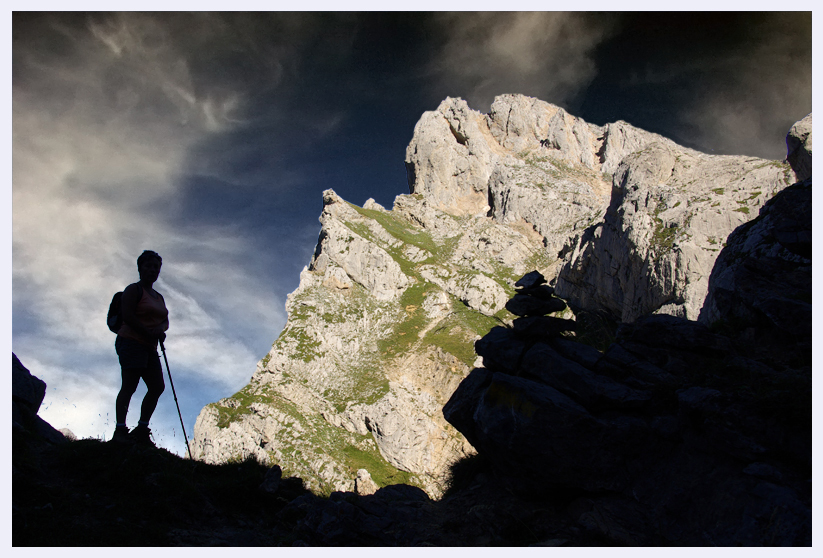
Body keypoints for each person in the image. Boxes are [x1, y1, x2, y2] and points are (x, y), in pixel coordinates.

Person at [111, 250, 169, 446]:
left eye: (156, 267)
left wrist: (160, 330)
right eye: (149, 266)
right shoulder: (133, 290)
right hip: (131, 341)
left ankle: (142, 429)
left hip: (149, 347)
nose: (153, 270)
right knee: (130, 385)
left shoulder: (159, 297)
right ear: (140, 268)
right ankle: (120, 429)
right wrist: (148, 331)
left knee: (157, 386)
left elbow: (165, 320)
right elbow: (128, 316)